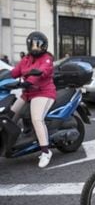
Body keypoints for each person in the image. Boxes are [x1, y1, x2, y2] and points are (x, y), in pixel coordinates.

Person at [10, 31, 56, 168]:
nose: (36, 48)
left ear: (44, 46)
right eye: (33, 45)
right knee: (10, 115)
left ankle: (46, 152)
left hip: (43, 92)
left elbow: (43, 71)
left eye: (39, 45)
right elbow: (14, 72)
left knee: (37, 119)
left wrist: (29, 81)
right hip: (27, 92)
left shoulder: (47, 58)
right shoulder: (26, 59)